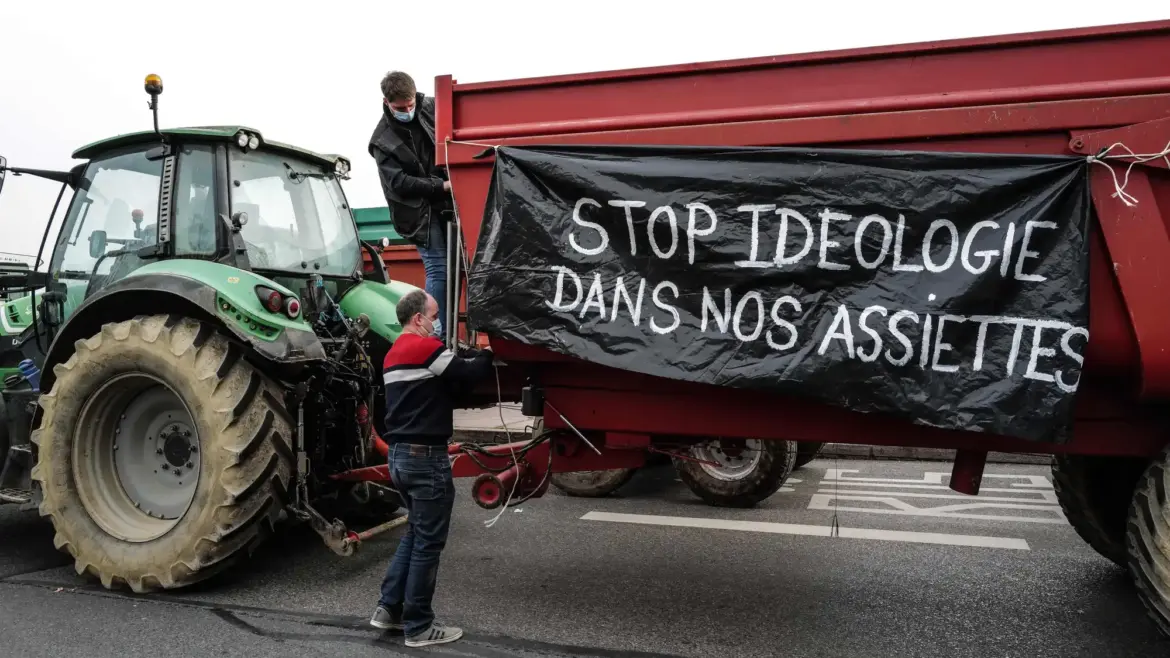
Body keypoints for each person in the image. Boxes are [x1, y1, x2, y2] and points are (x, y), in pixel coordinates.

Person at [370, 289, 494, 648]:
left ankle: (389, 608)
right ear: (418, 318)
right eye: (435, 315)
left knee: (415, 533)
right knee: (428, 542)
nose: (438, 322)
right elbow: (468, 374)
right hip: (425, 459)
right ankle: (419, 626)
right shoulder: (424, 348)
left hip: (399, 457)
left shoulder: (393, 353)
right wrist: (488, 352)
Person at [369, 70, 452, 338]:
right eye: (400, 108)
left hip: (445, 202)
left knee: (455, 269)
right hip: (417, 214)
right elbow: (399, 183)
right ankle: (435, 334)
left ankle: (448, 332)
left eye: (410, 105)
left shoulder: (431, 108)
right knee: (438, 269)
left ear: (415, 95)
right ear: (386, 102)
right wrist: (440, 186)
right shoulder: (382, 141)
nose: (407, 111)